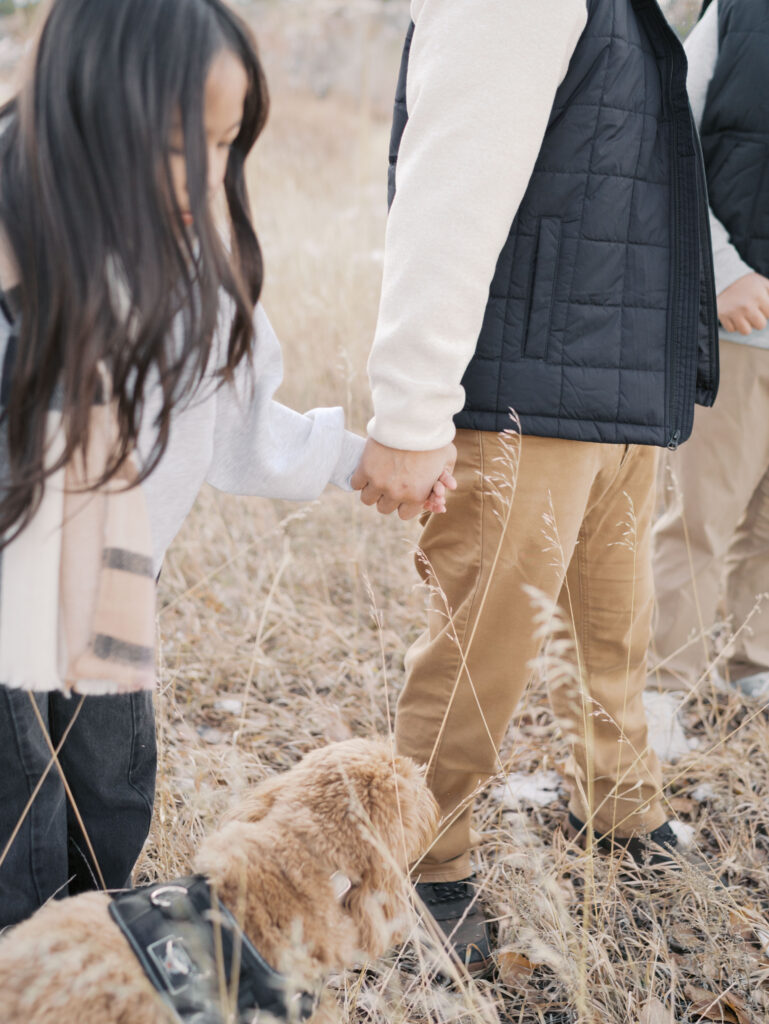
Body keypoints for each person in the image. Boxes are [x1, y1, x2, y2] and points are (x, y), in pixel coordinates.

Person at [0, 0, 450, 930]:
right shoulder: (18, 249)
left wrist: (357, 456)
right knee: (18, 831)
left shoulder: (199, 276)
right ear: (84, 109)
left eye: (225, 144)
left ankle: (99, 940)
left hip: (110, 590)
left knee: (109, 799)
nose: (205, 175)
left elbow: (247, 432)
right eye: (178, 143)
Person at [351, 0, 719, 975]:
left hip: (618, 384)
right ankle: (420, 866)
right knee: (480, 648)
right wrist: (412, 410)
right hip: (528, 388)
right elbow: (449, 185)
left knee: (615, 632)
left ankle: (618, 803)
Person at [651, 0, 769, 699]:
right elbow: (668, 139)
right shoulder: (737, 14)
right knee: (699, 520)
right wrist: (721, 272)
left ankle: (754, 666)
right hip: (739, 328)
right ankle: (663, 689)